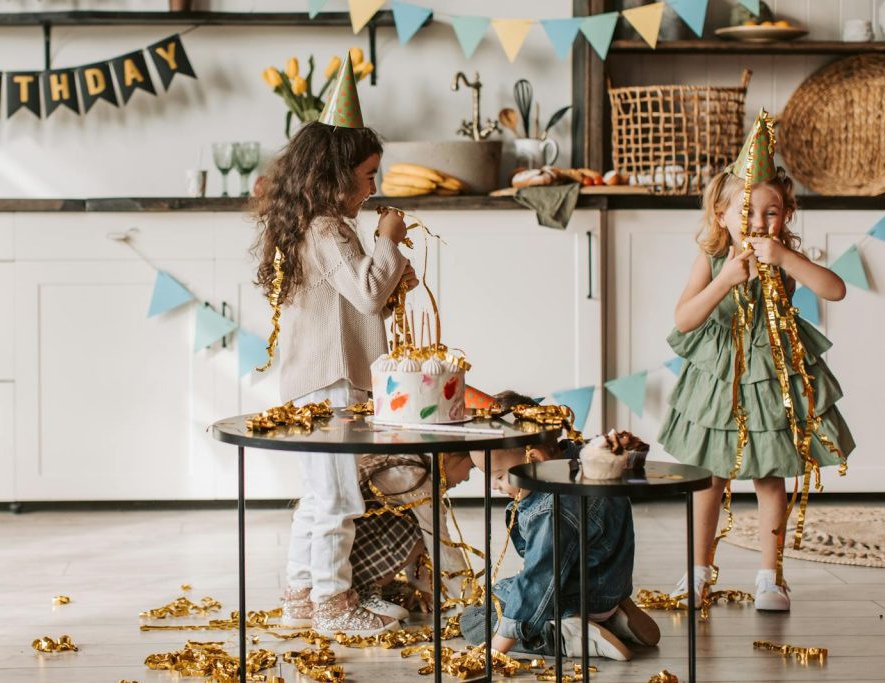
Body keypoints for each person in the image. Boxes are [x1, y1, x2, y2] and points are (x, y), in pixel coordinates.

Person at [658, 110, 855, 612]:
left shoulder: (786, 256)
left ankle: (771, 576)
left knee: (771, 476)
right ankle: (698, 571)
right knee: (709, 477)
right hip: (720, 380)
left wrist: (786, 259)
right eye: (746, 213)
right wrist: (725, 278)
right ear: (721, 215)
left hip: (772, 379)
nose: (758, 223)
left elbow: (836, 290)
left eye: (770, 213)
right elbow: (684, 320)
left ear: (785, 215)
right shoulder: (709, 255)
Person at [252, 54, 418, 636]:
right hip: (333, 381)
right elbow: (368, 295)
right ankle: (333, 605)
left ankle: (302, 596)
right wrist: (388, 239)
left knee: (319, 494)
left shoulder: (312, 225)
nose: (375, 185)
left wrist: (390, 266)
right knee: (339, 497)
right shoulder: (329, 228)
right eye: (370, 174)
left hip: (317, 379)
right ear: (337, 175)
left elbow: (354, 294)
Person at [459, 392, 660, 662]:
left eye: (497, 476)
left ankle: (568, 636)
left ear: (536, 460)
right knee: (503, 591)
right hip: (610, 586)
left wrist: (495, 649)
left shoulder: (551, 511)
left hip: (577, 596)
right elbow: (617, 456)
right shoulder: (587, 461)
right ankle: (615, 614)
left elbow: (539, 580)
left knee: (475, 619)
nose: (494, 487)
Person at [347, 452, 477, 620]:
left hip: (345, 558)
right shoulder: (416, 479)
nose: (466, 478)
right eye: (471, 467)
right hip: (348, 564)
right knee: (425, 532)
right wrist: (473, 604)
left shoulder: (409, 461)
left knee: (420, 524)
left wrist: (421, 588)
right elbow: (443, 549)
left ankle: (372, 583)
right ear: (447, 456)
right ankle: (362, 591)